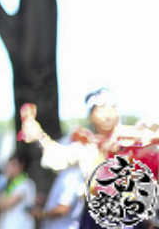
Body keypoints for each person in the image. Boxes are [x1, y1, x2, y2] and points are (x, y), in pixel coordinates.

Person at [20, 88, 159, 229]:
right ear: (91, 116)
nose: (108, 114)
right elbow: (59, 156)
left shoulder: (135, 137)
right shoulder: (87, 145)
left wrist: (147, 137)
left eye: (112, 107)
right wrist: (39, 136)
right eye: (100, 109)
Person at [0, 155, 35, 229]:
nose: (8, 168)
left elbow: (4, 205)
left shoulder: (25, 184)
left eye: (12, 165)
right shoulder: (11, 184)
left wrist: (5, 178)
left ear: (21, 166)